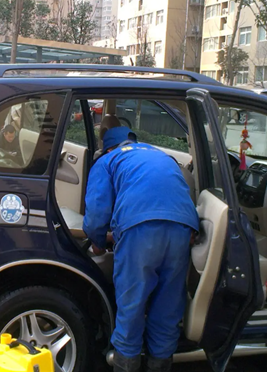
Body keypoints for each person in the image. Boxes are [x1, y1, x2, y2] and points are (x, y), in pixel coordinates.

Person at [83, 126, 199, 372]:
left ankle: (126, 364)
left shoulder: (107, 161)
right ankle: (160, 365)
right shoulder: (162, 156)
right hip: (183, 228)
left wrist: (99, 243)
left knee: (132, 305)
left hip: (140, 229)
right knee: (168, 306)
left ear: (109, 148)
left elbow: (96, 213)